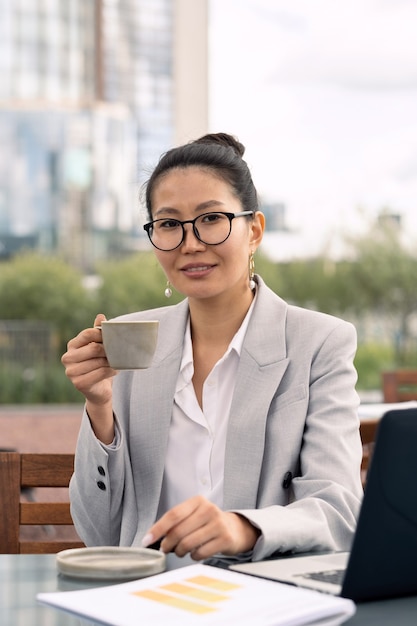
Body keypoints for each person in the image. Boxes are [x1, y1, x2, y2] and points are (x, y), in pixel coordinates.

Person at [62, 132, 363, 566]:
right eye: (168, 224)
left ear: (254, 230)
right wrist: (99, 409)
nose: (190, 243)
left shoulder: (319, 343)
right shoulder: (127, 343)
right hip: (148, 599)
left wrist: (242, 528)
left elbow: (339, 513)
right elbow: (99, 534)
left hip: (261, 597)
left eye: (211, 219)